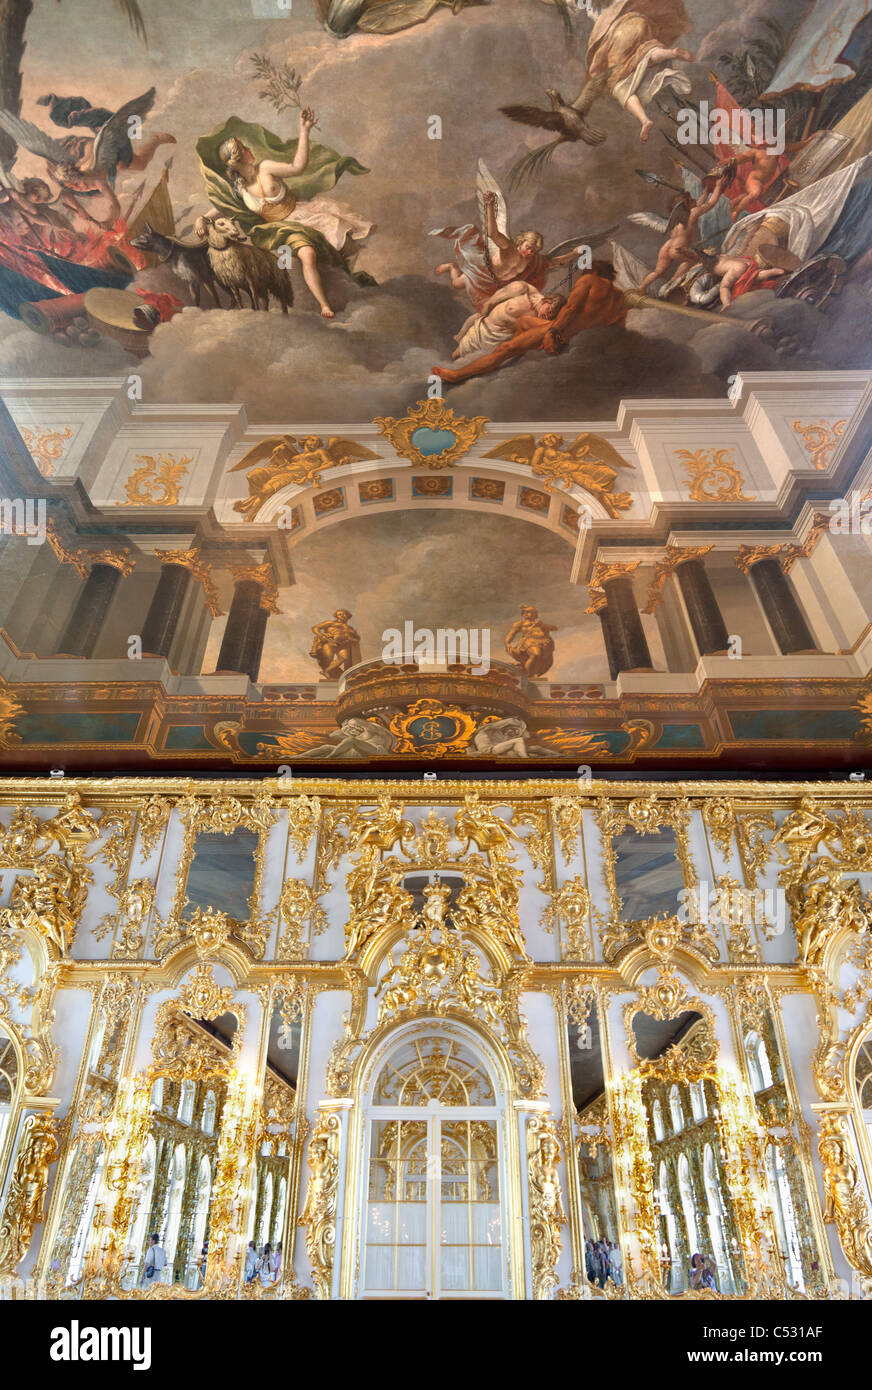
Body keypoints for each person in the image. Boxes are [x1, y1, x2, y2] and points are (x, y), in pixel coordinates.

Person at [197, 109, 372, 319]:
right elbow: (223, 206)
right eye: (244, 149)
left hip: (302, 215)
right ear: (238, 157)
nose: (249, 150)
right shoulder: (239, 188)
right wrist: (203, 218)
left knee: (345, 242)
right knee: (308, 255)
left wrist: (304, 131)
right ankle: (324, 305)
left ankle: (348, 282)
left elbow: (298, 167)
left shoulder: (266, 168)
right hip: (278, 230)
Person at [432, 262, 626, 386]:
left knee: (505, 348)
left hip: (562, 331)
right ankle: (520, 353)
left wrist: (553, 333)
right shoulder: (620, 299)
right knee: (524, 321)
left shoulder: (589, 280)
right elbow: (617, 331)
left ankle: (457, 375)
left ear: (593, 270)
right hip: (580, 335)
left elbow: (571, 309)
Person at [452, 281, 565, 359]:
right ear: (547, 301)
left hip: (495, 344)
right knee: (455, 355)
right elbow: (491, 302)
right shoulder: (522, 289)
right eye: (549, 311)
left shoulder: (538, 322)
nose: (548, 317)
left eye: (551, 316)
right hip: (481, 331)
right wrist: (476, 320)